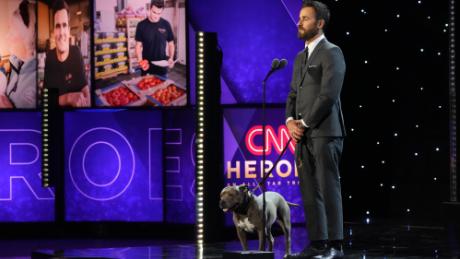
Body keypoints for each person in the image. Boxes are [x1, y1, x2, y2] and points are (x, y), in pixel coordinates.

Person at [285, 1, 346, 258]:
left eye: (306, 18)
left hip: (325, 131)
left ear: (319, 23)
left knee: (327, 186)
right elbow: (292, 94)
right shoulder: (300, 56)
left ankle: (336, 244)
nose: (299, 22)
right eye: (299, 17)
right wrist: (289, 122)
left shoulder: (332, 52)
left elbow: (328, 95)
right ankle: (318, 242)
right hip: (302, 134)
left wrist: (305, 123)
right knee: (309, 189)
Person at [43, 0, 90, 107]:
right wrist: (68, 98)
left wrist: (87, 105)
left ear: (69, 30)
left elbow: (84, 86)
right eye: (58, 26)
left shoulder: (76, 52)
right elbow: (46, 99)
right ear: (54, 31)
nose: (61, 32)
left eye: (64, 25)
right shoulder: (49, 57)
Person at [0, 0, 37, 109]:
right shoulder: (16, 62)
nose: (7, 37)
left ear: (28, 37)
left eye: (12, 30)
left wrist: (7, 108)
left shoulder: (37, 80)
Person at [135, 0, 175, 77]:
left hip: (162, 68)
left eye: (159, 13)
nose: (156, 16)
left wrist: (171, 58)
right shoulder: (141, 25)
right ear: (149, 9)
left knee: (163, 88)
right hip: (147, 68)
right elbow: (138, 45)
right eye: (154, 12)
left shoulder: (166, 24)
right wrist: (140, 61)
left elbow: (171, 44)